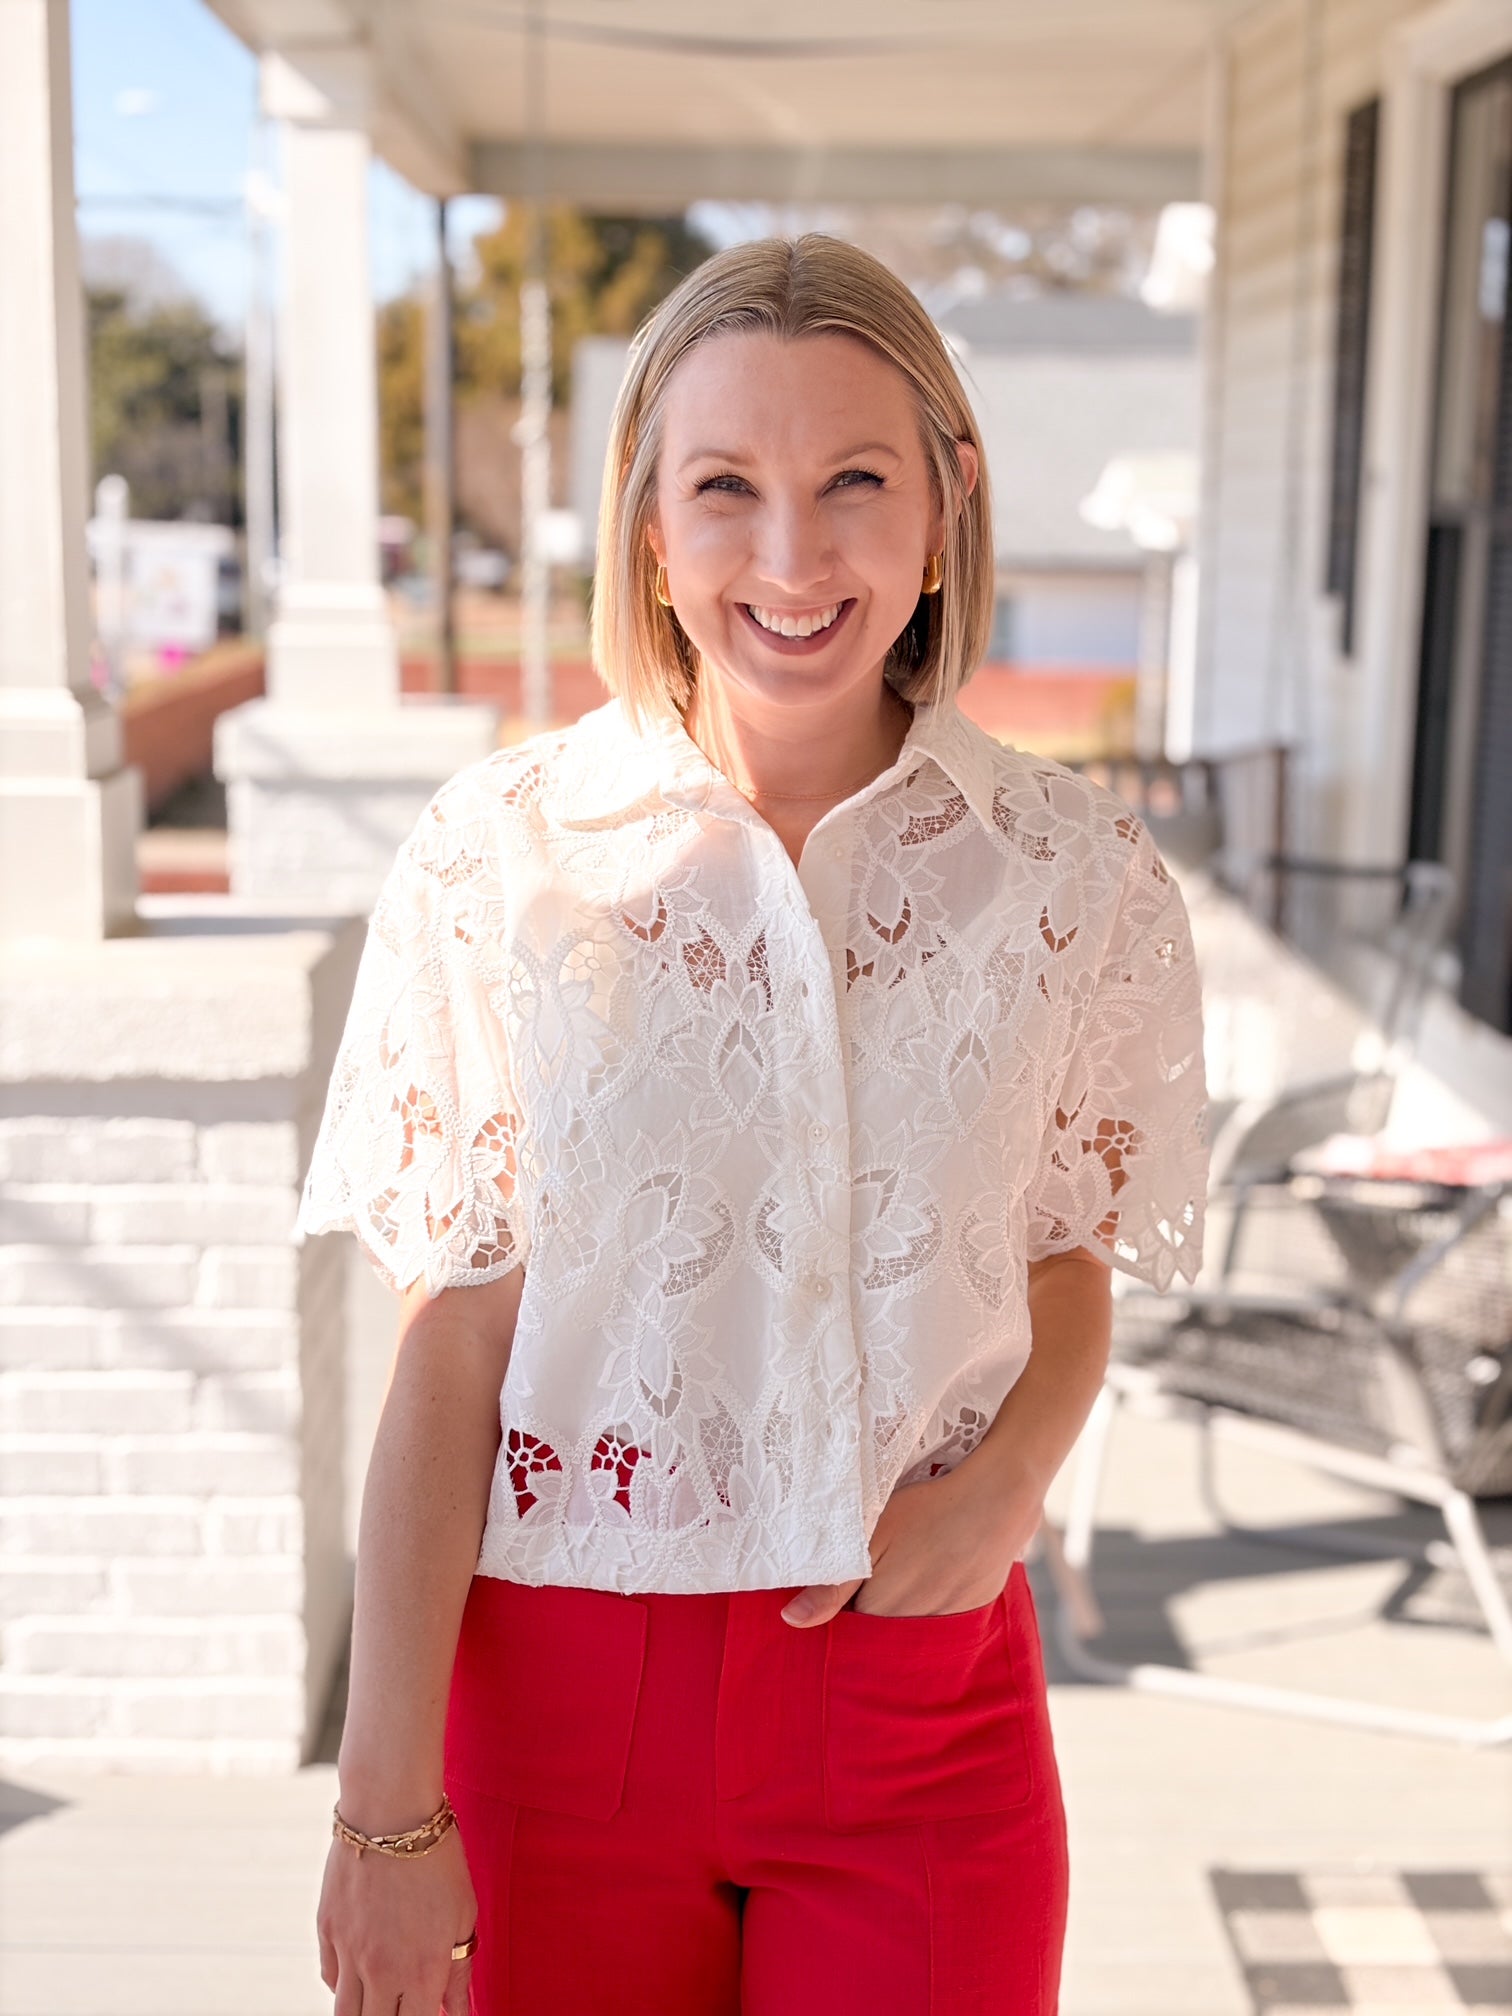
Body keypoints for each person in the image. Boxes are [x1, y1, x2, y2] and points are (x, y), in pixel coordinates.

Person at [302, 233, 1209, 2016]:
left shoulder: (1072, 872)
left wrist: (1013, 1481)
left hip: (918, 1703)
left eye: (854, 480)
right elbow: (452, 1339)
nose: (791, 557)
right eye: (725, 487)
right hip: (559, 1698)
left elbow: (1065, 1249)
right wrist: (379, 1815)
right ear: (649, 523)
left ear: (948, 504)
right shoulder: (501, 859)